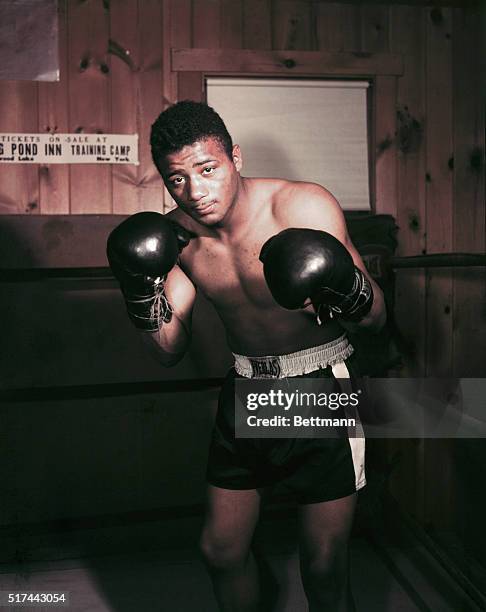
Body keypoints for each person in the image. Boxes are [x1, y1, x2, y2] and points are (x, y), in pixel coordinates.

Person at [107, 101, 386, 612]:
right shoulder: (178, 237)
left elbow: (376, 318)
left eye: (207, 169)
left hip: (322, 385)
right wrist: (138, 295)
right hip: (246, 391)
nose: (195, 192)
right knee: (220, 550)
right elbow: (170, 349)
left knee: (324, 564)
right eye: (177, 180)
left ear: (234, 156)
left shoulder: (302, 205)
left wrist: (343, 287)